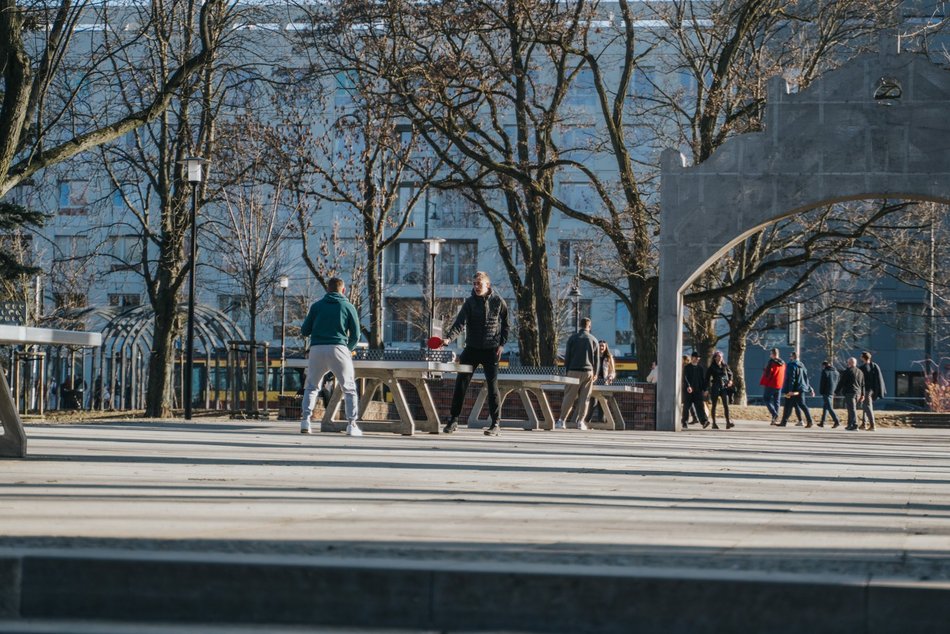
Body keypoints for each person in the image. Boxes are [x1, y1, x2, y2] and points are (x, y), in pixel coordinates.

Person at [441, 271, 510, 437]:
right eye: (474, 284)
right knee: (461, 384)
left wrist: (501, 344)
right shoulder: (469, 303)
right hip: (471, 349)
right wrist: (449, 339)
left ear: (488, 285)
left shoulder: (498, 301)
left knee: (492, 387)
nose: (476, 286)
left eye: (479, 283)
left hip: (490, 350)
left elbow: (506, 324)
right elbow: (459, 324)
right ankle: (453, 419)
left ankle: (495, 424)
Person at [299, 277, 363, 436]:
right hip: (339, 348)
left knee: (312, 386)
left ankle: (306, 421)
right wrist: (348, 349)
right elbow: (356, 335)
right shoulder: (348, 306)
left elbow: (304, 331)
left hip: (317, 349)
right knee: (348, 388)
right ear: (343, 290)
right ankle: (351, 424)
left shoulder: (316, 306)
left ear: (327, 289)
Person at [555, 318, 600, 430]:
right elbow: (597, 359)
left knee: (569, 396)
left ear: (580, 325)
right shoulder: (594, 340)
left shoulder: (572, 338)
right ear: (589, 326)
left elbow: (568, 357)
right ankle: (581, 421)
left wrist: (566, 371)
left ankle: (561, 420)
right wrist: (595, 372)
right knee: (585, 398)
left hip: (573, 370)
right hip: (588, 371)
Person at [777, 351, 814, 427]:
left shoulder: (791, 365)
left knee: (788, 405)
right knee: (801, 405)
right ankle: (809, 421)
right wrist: (810, 389)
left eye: (790, 356)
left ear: (793, 357)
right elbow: (805, 378)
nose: (790, 358)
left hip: (792, 390)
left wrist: (790, 390)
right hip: (800, 389)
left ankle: (784, 422)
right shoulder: (802, 365)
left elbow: (791, 379)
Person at [587, 340, 616, 423]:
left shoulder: (609, 357)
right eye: (600, 346)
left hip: (604, 382)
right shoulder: (593, 356)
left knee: (603, 404)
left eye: (603, 346)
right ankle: (586, 421)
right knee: (592, 402)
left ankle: (602, 422)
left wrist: (610, 377)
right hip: (594, 382)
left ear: (606, 347)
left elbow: (612, 371)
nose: (601, 347)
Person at [705, 350, 734, 429]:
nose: (720, 357)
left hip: (724, 387)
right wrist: (706, 389)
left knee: (726, 405)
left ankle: (728, 422)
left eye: (721, 356)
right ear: (715, 358)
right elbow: (707, 378)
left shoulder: (725, 365)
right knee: (714, 405)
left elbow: (730, 374)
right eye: (718, 356)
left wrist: (730, 381)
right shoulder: (712, 367)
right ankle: (714, 423)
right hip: (715, 386)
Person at [858, 351, 886, 431]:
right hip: (872, 389)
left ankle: (873, 425)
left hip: (866, 390)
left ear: (863, 357)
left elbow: (862, 381)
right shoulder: (874, 366)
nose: (860, 357)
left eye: (861, 356)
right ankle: (864, 424)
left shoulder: (863, 367)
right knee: (865, 406)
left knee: (867, 406)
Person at [681, 351, 710, 429]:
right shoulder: (687, 367)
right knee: (686, 407)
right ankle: (684, 422)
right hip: (688, 391)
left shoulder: (700, 368)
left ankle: (704, 421)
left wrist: (705, 389)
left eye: (698, 358)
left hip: (698, 391)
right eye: (696, 357)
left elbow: (703, 380)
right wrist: (688, 386)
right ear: (692, 358)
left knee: (699, 406)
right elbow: (685, 378)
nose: (697, 359)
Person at [836, 357, 865, 431]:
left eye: (848, 362)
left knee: (852, 409)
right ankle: (849, 425)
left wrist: (836, 391)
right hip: (858, 393)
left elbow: (841, 382)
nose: (847, 363)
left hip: (850, 392)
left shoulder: (847, 371)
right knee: (850, 409)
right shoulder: (860, 372)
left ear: (850, 363)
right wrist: (863, 395)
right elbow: (863, 385)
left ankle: (855, 425)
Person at [759, 348, 786, 425]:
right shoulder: (783, 363)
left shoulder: (771, 362)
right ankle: (775, 419)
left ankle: (774, 414)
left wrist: (765, 376)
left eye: (770, 354)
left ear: (773, 354)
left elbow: (768, 374)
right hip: (779, 384)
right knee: (776, 401)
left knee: (766, 399)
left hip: (771, 384)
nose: (770, 355)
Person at [818, 360, 840, 428]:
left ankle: (836, 420)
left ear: (824, 365)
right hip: (832, 391)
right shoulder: (836, 372)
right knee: (826, 406)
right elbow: (837, 382)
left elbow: (822, 383)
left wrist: (821, 391)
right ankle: (822, 422)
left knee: (829, 407)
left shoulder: (825, 372)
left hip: (826, 391)